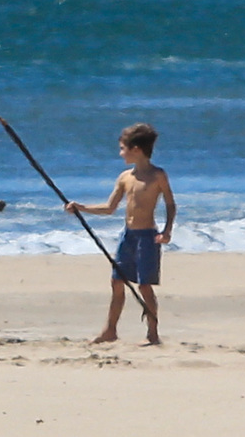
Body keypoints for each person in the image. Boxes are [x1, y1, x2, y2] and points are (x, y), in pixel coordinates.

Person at [65, 123, 176, 345]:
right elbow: (109, 208)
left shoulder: (158, 175)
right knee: (117, 282)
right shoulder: (125, 177)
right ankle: (110, 330)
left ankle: (152, 332)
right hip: (129, 236)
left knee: (145, 286)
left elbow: (171, 205)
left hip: (148, 236)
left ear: (136, 149)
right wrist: (81, 207)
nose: (120, 153)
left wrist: (167, 231)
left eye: (123, 148)